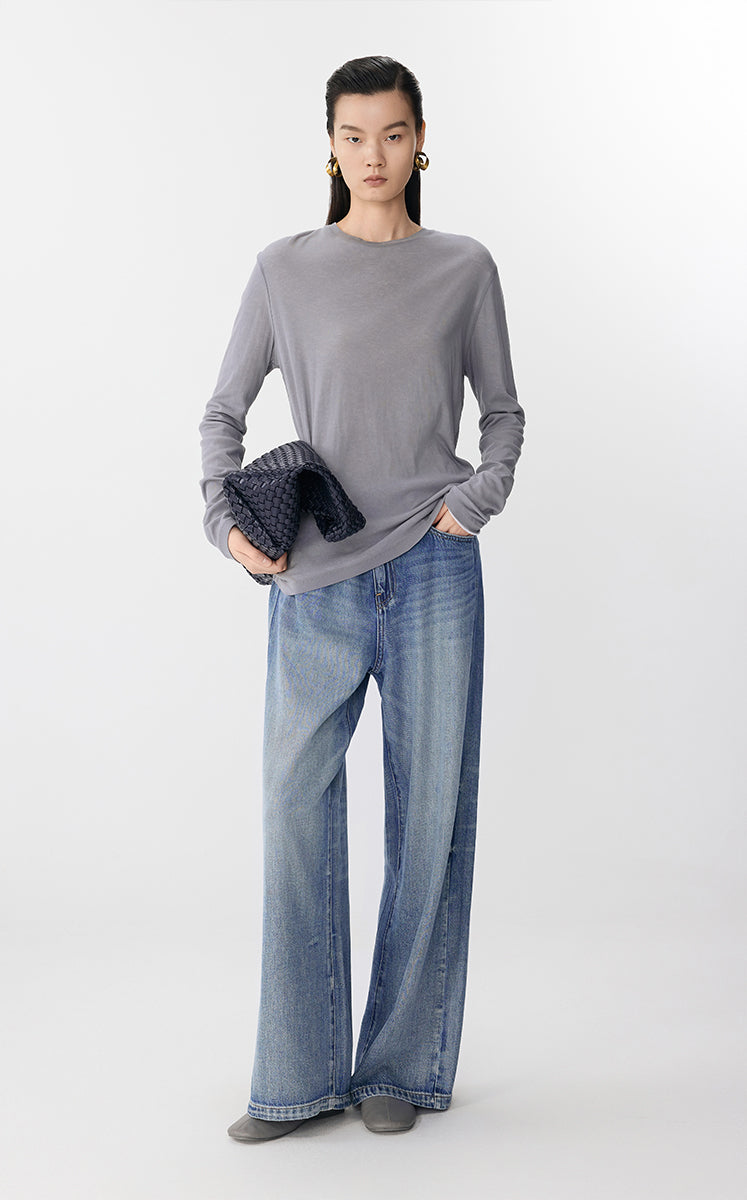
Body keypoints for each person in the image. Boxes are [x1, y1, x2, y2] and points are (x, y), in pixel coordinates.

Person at [198, 55, 525, 1141]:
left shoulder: (464, 267)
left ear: (420, 141)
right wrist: (227, 527)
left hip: (434, 567)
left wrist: (475, 501)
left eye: (391, 134)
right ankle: (295, 1079)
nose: (372, 155)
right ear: (329, 146)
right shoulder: (284, 270)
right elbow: (222, 413)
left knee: (429, 818)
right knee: (294, 812)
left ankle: (398, 1067)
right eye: (352, 135)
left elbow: (503, 413)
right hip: (315, 576)